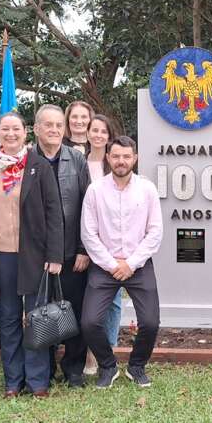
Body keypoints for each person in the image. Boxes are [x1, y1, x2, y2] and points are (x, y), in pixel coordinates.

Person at [0, 113, 63, 398]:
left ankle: (38, 381)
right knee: (9, 318)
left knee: (36, 317)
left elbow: (54, 213)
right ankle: (13, 381)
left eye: (16, 128)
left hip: (35, 255)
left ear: (25, 132)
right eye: (5, 129)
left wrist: (55, 255)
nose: (11, 134)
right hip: (1, 255)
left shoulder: (38, 166)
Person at [80, 135, 164, 388]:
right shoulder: (95, 190)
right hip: (104, 266)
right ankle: (108, 366)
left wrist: (131, 263)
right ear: (108, 158)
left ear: (135, 159)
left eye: (126, 156)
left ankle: (137, 365)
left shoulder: (147, 189)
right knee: (89, 322)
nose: (121, 161)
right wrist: (111, 264)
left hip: (138, 265)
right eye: (116, 156)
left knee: (150, 322)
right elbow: (88, 233)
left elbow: (155, 231)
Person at [33, 105, 91, 385]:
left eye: (58, 125)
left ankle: (74, 368)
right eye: (48, 125)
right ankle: (45, 367)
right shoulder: (27, 159)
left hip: (71, 252)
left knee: (74, 309)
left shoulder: (76, 159)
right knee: (41, 310)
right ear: (36, 129)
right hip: (37, 252)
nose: (54, 130)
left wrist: (83, 249)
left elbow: (86, 207)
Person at [82, 114, 123, 375]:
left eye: (103, 131)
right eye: (93, 130)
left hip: (113, 247)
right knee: (88, 301)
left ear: (109, 136)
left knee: (114, 302)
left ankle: (106, 353)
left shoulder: (116, 165)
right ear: (87, 134)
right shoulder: (77, 162)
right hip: (84, 241)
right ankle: (87, 353)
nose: (98, 135)